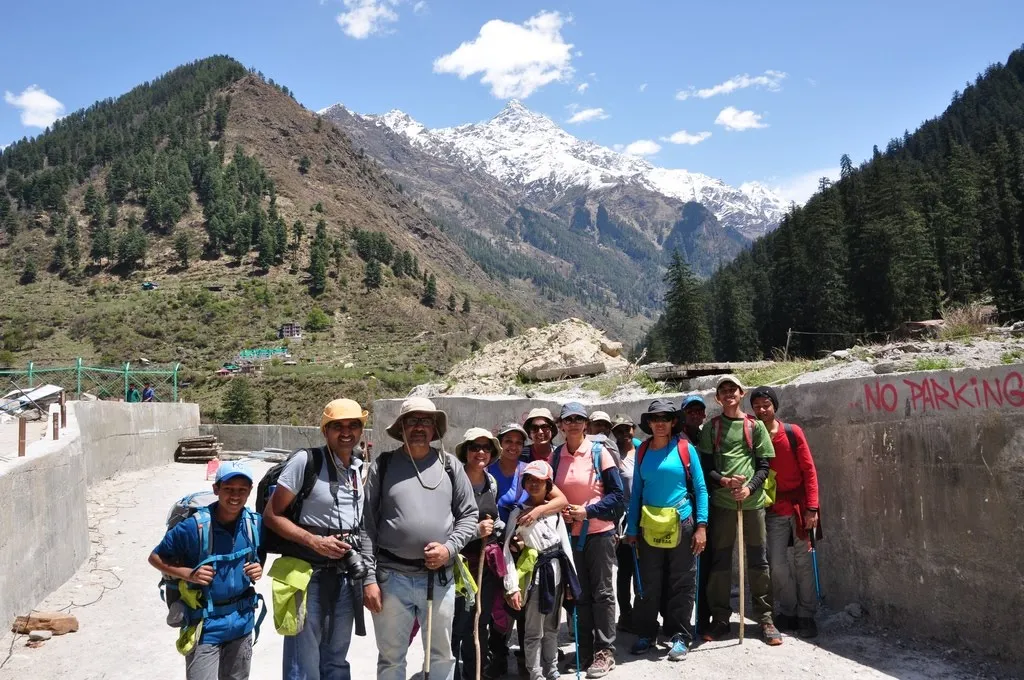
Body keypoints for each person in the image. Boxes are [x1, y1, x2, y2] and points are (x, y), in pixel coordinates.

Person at [360, 397, 479, 680]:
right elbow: (365, 524)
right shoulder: (384, 465)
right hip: (391, 578)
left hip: (438, 578)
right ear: (401, 427)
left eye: (426, 421)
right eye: (412, 420)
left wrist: (449, 549)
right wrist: (368, 579)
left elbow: (469, 516)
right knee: (391, 659)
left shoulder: (451, 466)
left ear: (434, 428)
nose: (418, 427)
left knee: (440, 657)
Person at [262, 398, 369, 680]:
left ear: (361, 430)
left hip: (344, 576)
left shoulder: (358, 469)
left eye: (353, 425)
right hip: (307, 575)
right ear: (325, 431)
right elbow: (271, 515)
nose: (346, 432)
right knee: (303, 660)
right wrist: (314, 542)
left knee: (336, 657)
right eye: (337, 426)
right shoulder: (306, 461)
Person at [149, 462, 263, 680]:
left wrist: (258, 568)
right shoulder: (194, 527)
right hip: (204, 625)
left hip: (242, 621)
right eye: (228, 489)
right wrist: (188, 574)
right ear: (216, 490)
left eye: (242, 490)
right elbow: (155, 557)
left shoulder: (254, 524)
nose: (235, 496)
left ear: (250, 491)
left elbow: (258, 554)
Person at [697, 376, 782, 646]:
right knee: (721, 562)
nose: (728, 393)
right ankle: (721, 619)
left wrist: (749, 489)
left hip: (752, 503)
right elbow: (706, 466)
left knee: (758, 561)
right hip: (722, 503)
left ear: (741, 393)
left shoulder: (754, 427)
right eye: (723, 390)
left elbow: (764, 466)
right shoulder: (711, 428)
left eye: (732, 389)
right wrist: (723, 481)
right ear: (717, 398)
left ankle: (766, 619)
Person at [624, 400, 708, 661]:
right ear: (648, 423)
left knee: (682, 581)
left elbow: (701, 488)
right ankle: (647, 633)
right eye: (654, 418)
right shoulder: (643, 451)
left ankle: (680, 636)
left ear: (674, 421)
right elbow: (637, 491)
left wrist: (701, 526)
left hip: (682, 522)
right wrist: (631, 528)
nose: (660, 422)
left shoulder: (685, 449)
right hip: (649, 525)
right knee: (649, 582)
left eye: (666, 417)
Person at [487, 422, 568, 678]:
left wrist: (534, 513)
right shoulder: (489, 473)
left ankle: (528, 662)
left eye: (518, 442)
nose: (513, 446)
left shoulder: (528, 470)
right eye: (508, 441)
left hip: (529, 546)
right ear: (500, 443)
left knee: (529, 613)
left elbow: (560, 500)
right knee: (498, 609)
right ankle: (498, 657)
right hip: (495, 546)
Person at [551, 403, 624, 678]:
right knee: (579, 594)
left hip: (599, 533)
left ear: (586, 424)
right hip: (569, 536)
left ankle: (605, 651)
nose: (573, 424)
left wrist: (587, 511)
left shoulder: (598, 452)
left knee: (603, 593)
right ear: (561, 425)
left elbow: (617, 494)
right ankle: (583, 651)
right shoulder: (557, 457)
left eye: (578, 419)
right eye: (568, 419)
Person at [750, 386, 821, 639]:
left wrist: (813, 508)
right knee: (777, 564)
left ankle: (806, 615)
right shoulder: (754, 435)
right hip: (774, 508)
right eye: (756, 405)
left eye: (766, 405)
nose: (761, 409)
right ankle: (788, 609)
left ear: (775, 406)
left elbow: (809, 471)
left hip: (801, 508)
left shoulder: (792, 432)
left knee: (803, 563)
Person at [502, 461, 580, 680]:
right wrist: (512, 586)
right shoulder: (517, 513)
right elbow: (507, 552)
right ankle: (535, 673)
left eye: (540, 481)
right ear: (524, 484)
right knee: (533, 630)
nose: (534, 484)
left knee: (553, 627)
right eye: (530, 480)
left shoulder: (555, 513)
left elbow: (565, 547)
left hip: (556, 575)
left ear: (549, 485)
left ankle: (552, 669)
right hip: (535, 578)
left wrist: (570, 582)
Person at [452, 428, 506, 680]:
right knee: (457, 624)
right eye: (474, 447)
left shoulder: (490, 482)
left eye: (486, 448)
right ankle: (452, 673)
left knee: (480, 621)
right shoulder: (452, 480)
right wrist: (475, 531)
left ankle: (475, 673)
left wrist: (501, 527)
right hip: (457, 565)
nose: (481, 452)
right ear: (466, 451)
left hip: (484, 564)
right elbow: (442, 524)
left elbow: (492, 516)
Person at [680, 395, 712, 634]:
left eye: (698, 411)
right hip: (682, 509)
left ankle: (703, 619)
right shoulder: (675, 439)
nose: (694, 414)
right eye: (690, 410)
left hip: (704, 506)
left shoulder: (707, 436)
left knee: (706, 566)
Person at [609, 415, 638, 634]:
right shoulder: (611, 455)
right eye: (618, 430)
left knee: (644, 569)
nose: (623, 434)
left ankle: (642, 610)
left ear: (633, 430)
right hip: (621, 520)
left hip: (645, 516)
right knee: (625, 569)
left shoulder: (642, 450)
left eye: (626, 429)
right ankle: (626, 614)